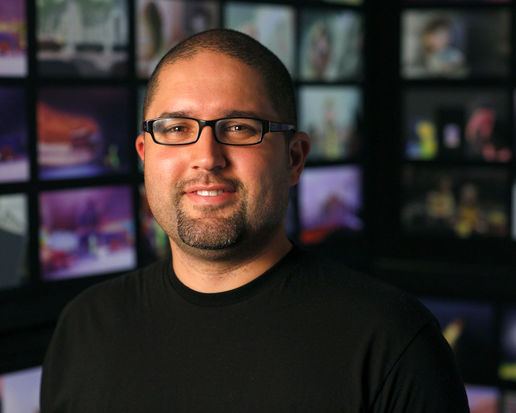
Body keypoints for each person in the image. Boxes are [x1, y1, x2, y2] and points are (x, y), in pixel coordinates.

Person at [40, 29, 469, 412]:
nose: (207, 157)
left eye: (239, 128)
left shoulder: (392, 342)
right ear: (145, 154)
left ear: (294, 158)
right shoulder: (84, 328)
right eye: (175, 128)